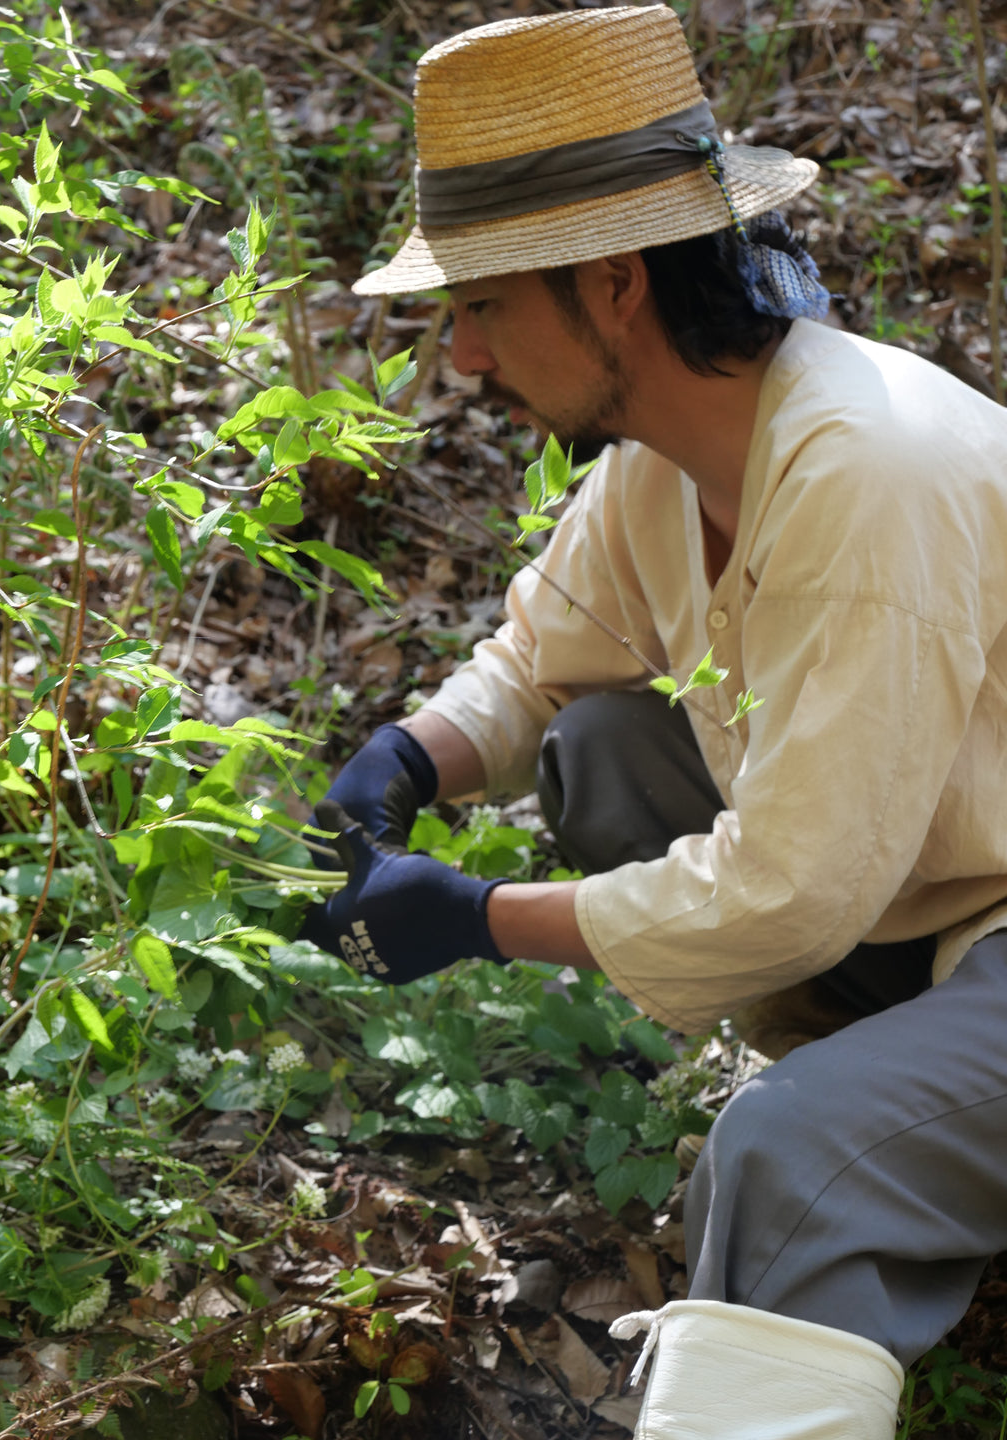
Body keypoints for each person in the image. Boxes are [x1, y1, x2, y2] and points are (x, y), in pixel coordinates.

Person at [301, 7, 1007, 1438]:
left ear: (613, 285)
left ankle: (844, 1156)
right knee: (608, 745)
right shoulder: (665, 464)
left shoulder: (867, 472)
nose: (464, 360)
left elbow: (796, 894)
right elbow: (536, 665)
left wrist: (479, 913)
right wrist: (409, 762)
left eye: (484, 307)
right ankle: (887, 1110)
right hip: (920, 930)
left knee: (788, 1156)